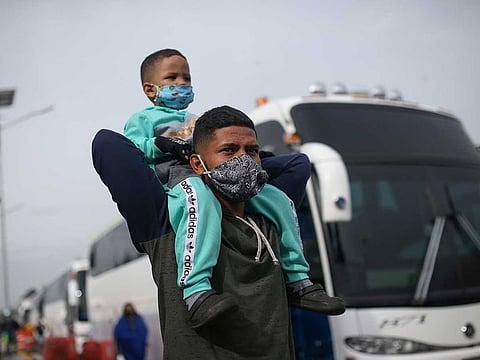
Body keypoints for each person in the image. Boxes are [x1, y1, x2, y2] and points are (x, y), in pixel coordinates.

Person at [120, 48, 344, 321]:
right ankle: (197, 292)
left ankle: (297, 281)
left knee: (277, 200)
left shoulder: (196, 121)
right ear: (150, 88)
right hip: (180, 177)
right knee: (200, 200)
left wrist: (251, 156)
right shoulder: (143, 119)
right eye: (172, 78)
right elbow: (131, 149)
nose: (181, 84)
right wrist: (159, 143)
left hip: (213, 173)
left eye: (186, 78)